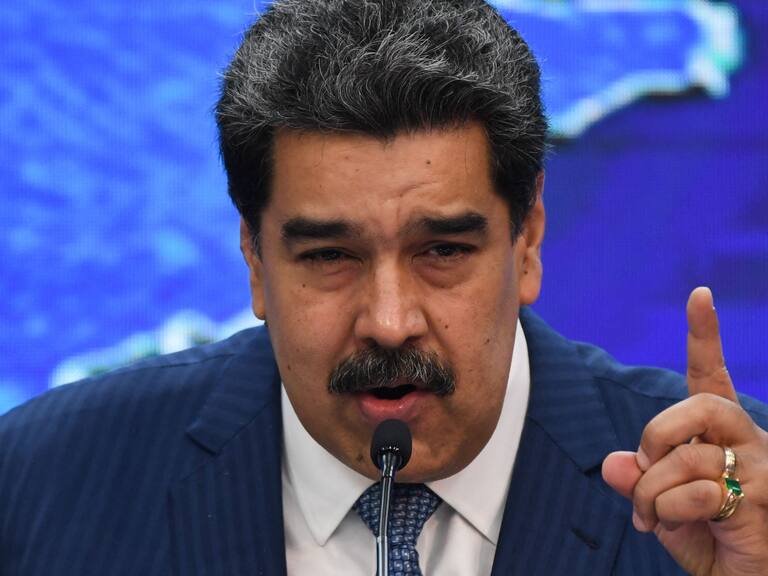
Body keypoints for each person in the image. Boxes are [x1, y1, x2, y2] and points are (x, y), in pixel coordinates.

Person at [1, 1, 767, 574]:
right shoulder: (41, 482)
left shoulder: (741, 503)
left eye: (442, 249)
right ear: (256, 260)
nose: (391, 323)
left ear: (527, 240)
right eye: (330, 256)